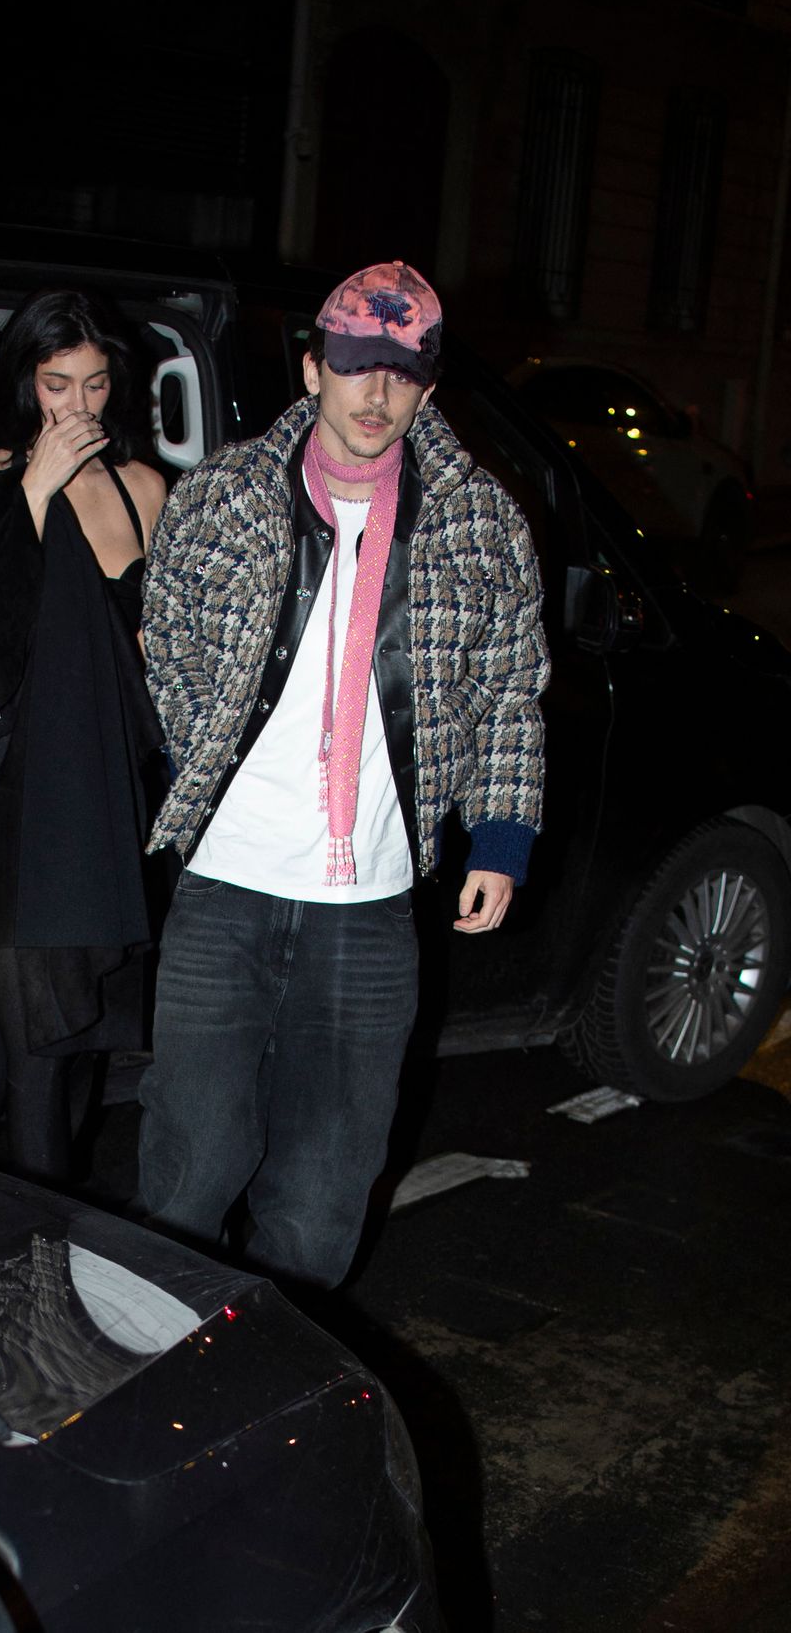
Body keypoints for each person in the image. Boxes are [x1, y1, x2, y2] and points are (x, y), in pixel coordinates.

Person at [136, 260, 550, 1289]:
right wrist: (210, 773)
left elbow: (507, 688)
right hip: (226, 888)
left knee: (323, 1195)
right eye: (359, 368)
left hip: (368, 907)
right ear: (314, 369)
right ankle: (151, 1380)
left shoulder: (477, 521)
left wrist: (500, 837)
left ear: (428, 387)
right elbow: (166, 639)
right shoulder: (224, 492)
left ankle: (281, 1395)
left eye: (403, 375)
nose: (379, 397)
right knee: (188, 1172)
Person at [0, 289, 166, 1181]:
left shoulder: (142, 489)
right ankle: (43, 1251)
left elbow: (150, 652)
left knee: (52, 1023)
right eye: (58, 383)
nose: (79, 407)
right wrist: (37, 489)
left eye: (95, 384)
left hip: (97, 785)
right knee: (38, 1042)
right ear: (24, 382)